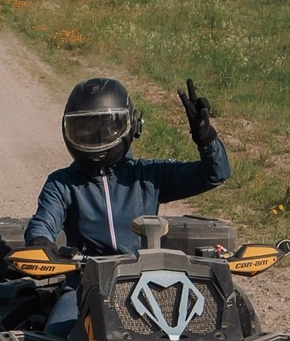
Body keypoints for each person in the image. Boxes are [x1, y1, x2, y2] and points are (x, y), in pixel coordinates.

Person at [26, 77, 227, 258]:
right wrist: (40, 242)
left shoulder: (149, 175)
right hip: (82, 282)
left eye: (106, 129)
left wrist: (206, 138)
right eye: (84, 129)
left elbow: (214, 174)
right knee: (64, 302)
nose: (97, 137)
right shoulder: (62, 184)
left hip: (142, 280)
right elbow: (43, 223)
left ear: (133, 124)